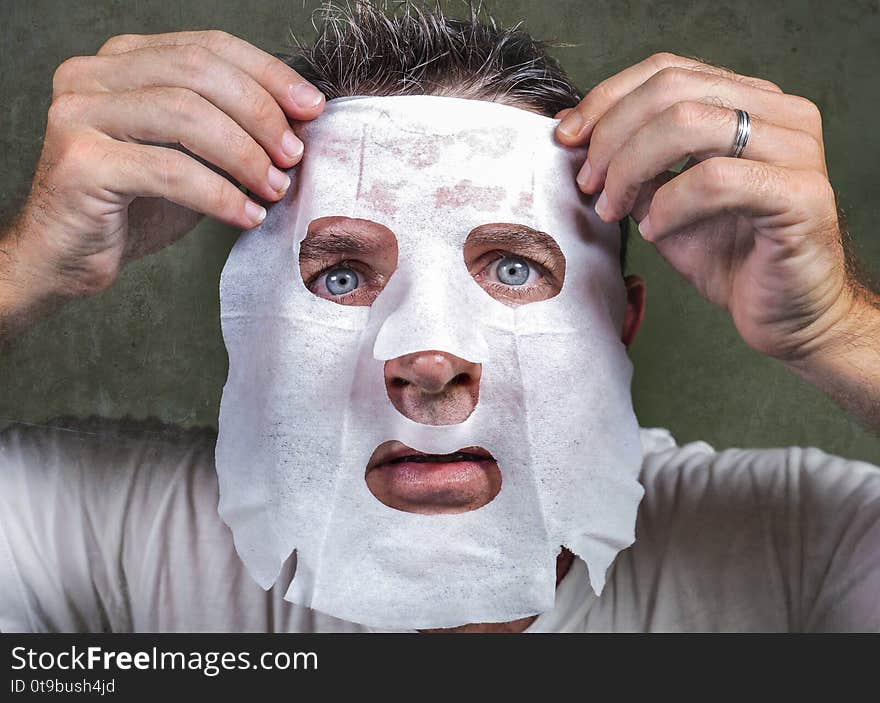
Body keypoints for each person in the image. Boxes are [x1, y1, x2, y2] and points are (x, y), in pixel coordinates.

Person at [0, 2, 879, 633]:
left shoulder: (802, 542)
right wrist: (28, 264)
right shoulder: (108, 534)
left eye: (511, 267)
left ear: (620, 327)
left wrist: (836, 329)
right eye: (341, 275)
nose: (429, 356)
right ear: (252, 327)